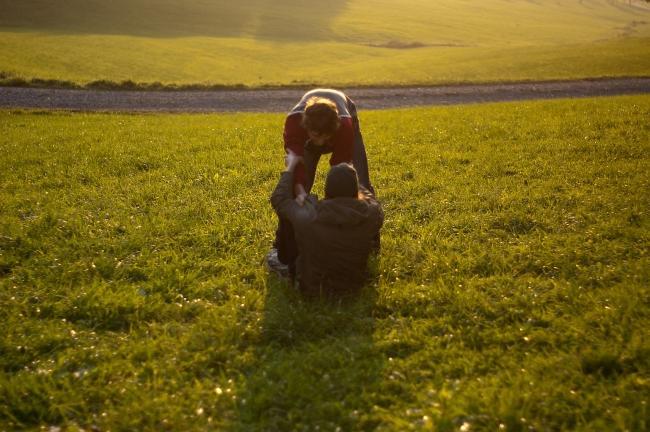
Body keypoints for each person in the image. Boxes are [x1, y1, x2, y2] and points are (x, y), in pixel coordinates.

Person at [268, 88, 375, 276]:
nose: (322, 141)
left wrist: (333, 210)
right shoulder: (294, 123)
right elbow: (296, 162)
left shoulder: (345, 127)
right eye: (317, 135)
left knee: (359, 183)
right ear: (307, 128)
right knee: (296, 194)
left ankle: (367, 240)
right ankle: (282, 246)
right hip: (306, 136)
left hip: (344, 120)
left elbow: (340, 168)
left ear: (332, 132)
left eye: (325, 137)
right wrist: (300, 189)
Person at [270, 151, 383, 296]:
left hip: (313, 288)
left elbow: (280, 199)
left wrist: (290, 167)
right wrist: (355, 183)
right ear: (355, 193)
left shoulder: (309, 216)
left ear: (327, 191)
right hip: (354, 285)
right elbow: (371, 199)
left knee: (277, 251)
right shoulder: (371, 215)